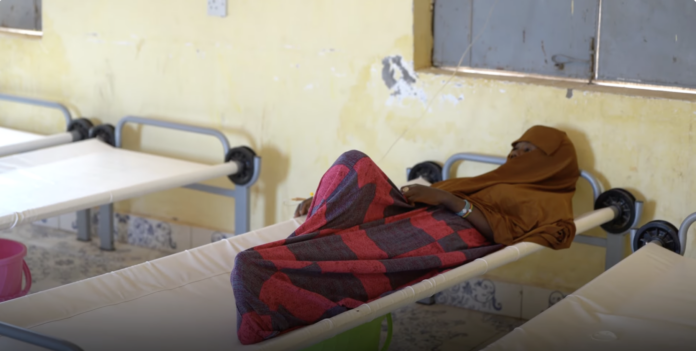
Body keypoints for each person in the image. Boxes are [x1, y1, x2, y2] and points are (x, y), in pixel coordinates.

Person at [233, 125, 579, 344]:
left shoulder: (547, 198)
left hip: (451, 231)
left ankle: (277, 275)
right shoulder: (486, 180)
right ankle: (312, 234)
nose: (515, 156)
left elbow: (509, 234)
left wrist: (447, 199)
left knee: (261, 263)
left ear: (554, 162)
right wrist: (333, 197)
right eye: (514, 150)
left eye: (527, 151)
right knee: (354, 163)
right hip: (416, 213)